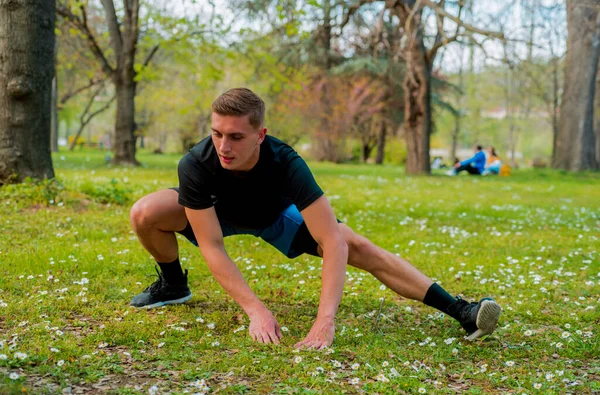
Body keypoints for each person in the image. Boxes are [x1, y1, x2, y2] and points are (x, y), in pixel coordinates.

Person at [129, 88, 501, 349]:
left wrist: (325, 320)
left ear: (261, 135)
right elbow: (211, 245)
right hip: (213, 213)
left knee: (354, 242)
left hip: (273, 217)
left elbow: (333, 242)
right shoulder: (196, 163)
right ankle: (174, 285)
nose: (224, 147)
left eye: (236, 137)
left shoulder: (286, 162)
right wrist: (256, 310)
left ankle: (460, 310)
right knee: (145, 212)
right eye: (217, 133)